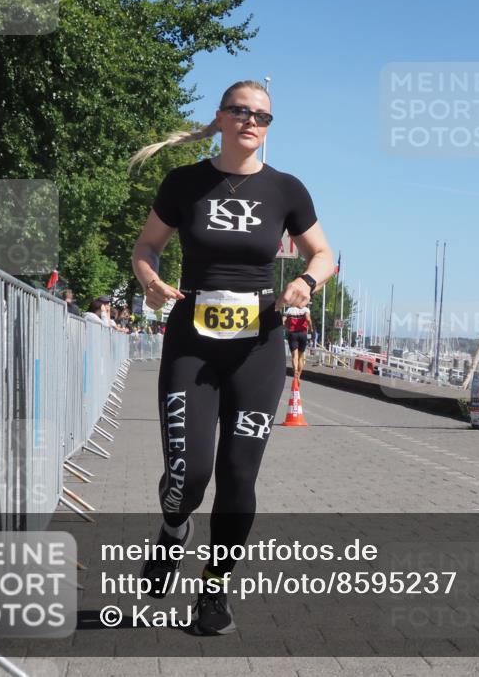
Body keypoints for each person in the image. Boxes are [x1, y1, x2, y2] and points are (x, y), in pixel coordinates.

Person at [129, 80, 333, 635]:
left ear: (269, 128)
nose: (251, 122)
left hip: (258, 346)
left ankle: (214, 594)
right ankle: (174, 530)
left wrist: (306, 284)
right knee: (187, 476)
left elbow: (324, 254)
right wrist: (149, 279)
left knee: (238, 476)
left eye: (262, 116)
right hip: (191, 342)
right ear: (220, 118)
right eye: (241, 112)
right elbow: (147, 245)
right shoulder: (186, 183)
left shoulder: (286, 189)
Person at [282, 304, 313, 380]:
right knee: (300, 357)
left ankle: (295, 371)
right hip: (303, 334)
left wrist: (286, 327)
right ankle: (298, 376)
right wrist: (311, 328)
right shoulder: (305, 309)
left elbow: (283, 320)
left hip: (293, 334)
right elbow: (308, 319)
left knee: (294, 356)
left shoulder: (290, 310)